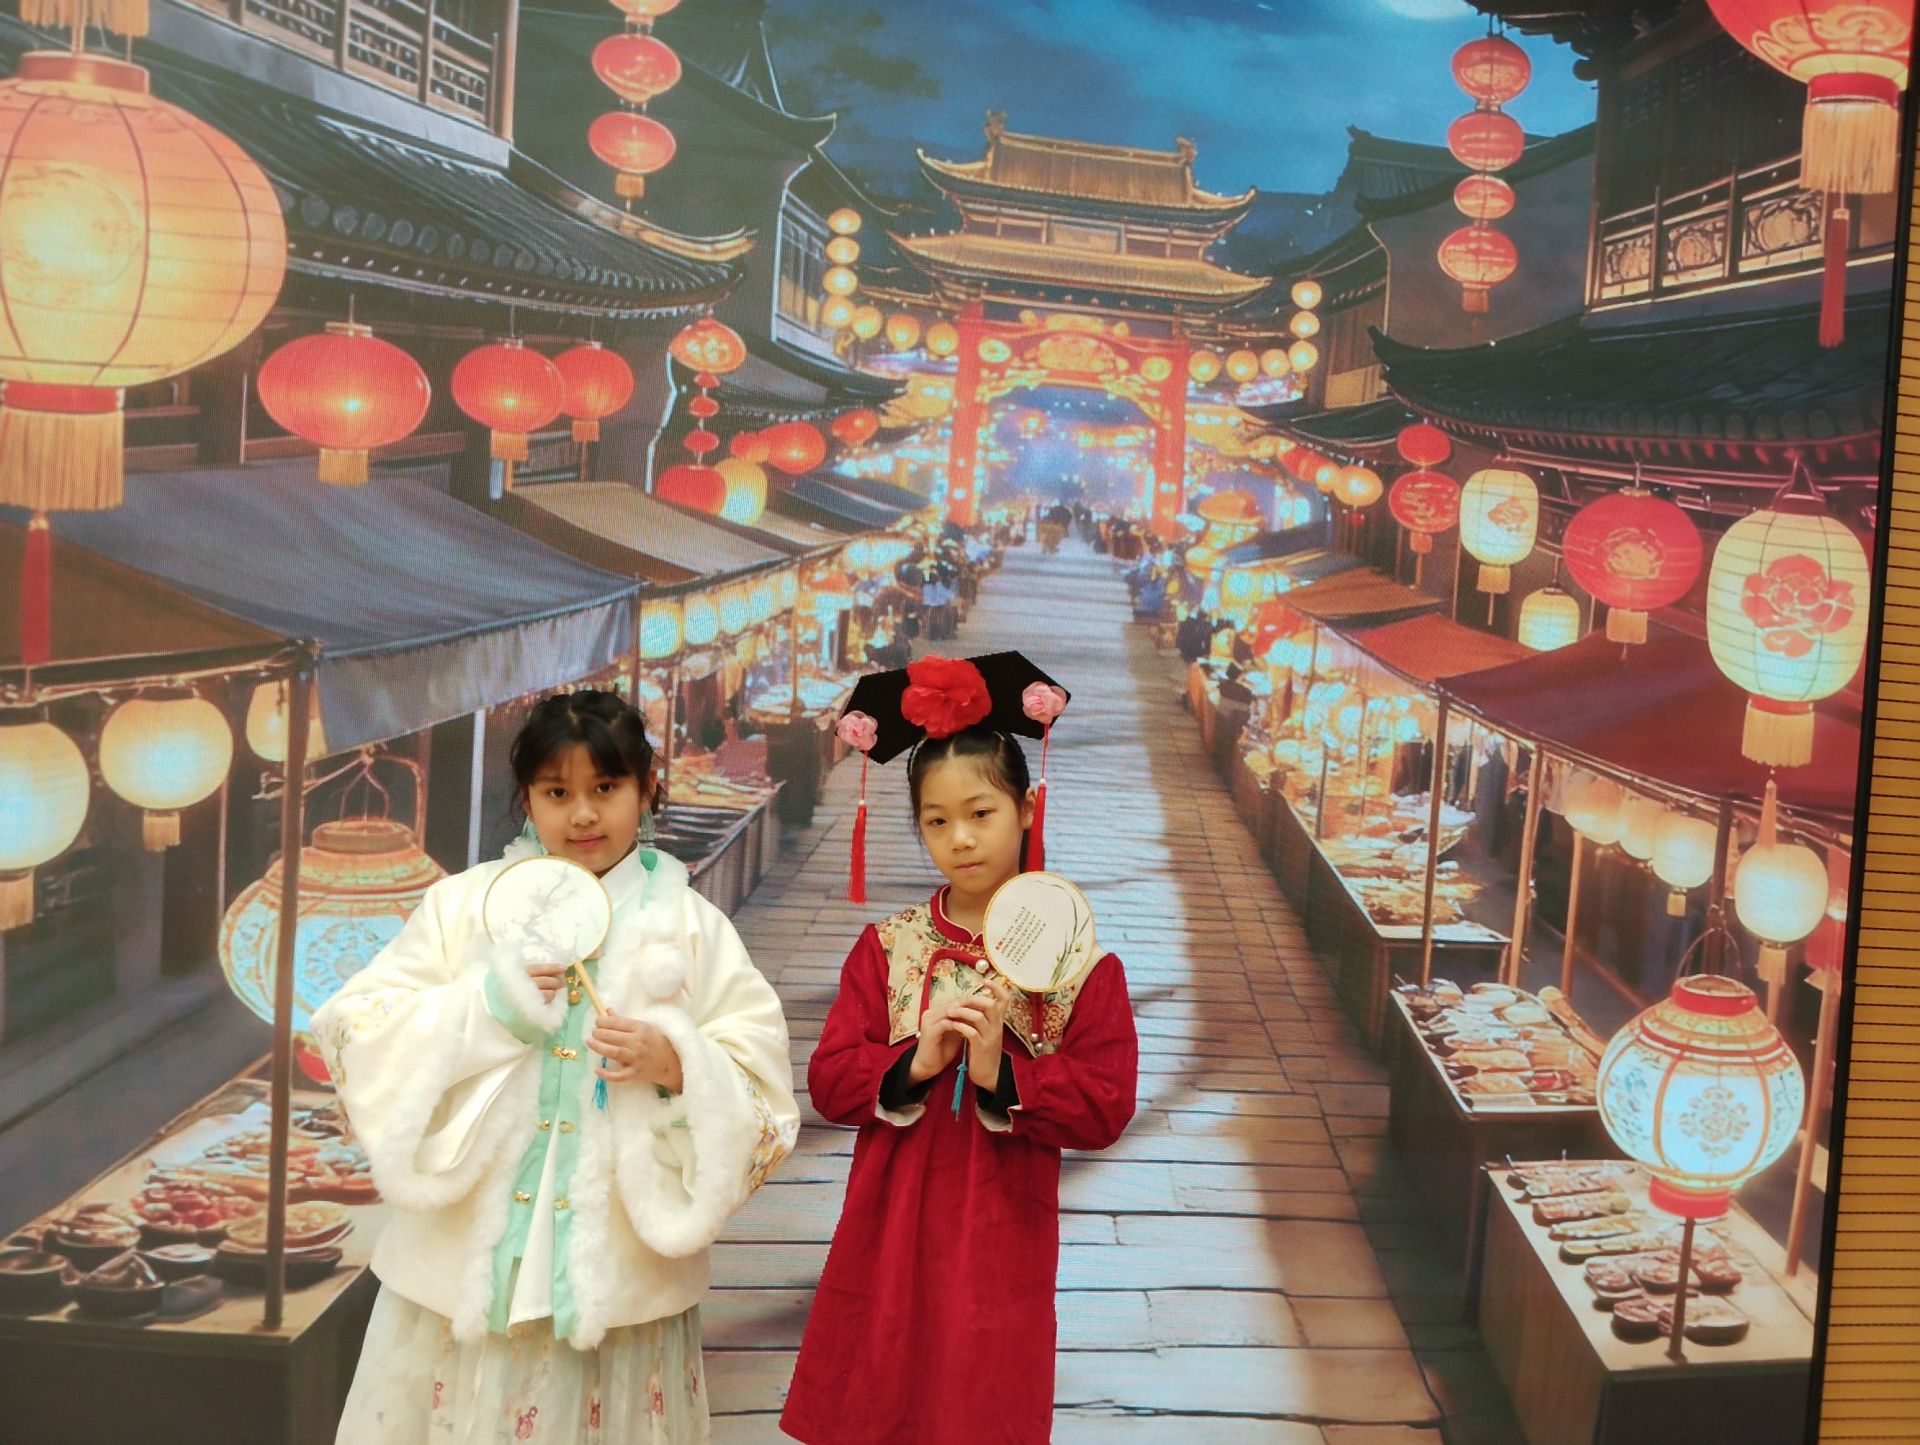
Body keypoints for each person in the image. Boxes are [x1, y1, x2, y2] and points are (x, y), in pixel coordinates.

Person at [313, 689, 799, 1443]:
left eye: (606, 788)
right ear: (526, 799)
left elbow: (762, 1085)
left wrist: (679, 1065)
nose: (583, 815)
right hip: (458, 1272)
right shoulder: (464, 907)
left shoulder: (693, 929)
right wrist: (487, 1010)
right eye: (557, 792)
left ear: (647, 788)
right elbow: (354, 1027)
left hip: (620, 1283)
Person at [779, 653, 1139, 1445]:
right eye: (936, 821)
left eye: (980, 812)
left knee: (980, 1397)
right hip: (891, 1220)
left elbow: (1107, 1101)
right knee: (880, 1389)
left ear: (1027, 807)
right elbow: (831, 1078)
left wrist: (1003, 1074)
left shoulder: (1079, 963)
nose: (960, 838)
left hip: (1000, 1226)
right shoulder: (888, 946)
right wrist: (915, 1062)